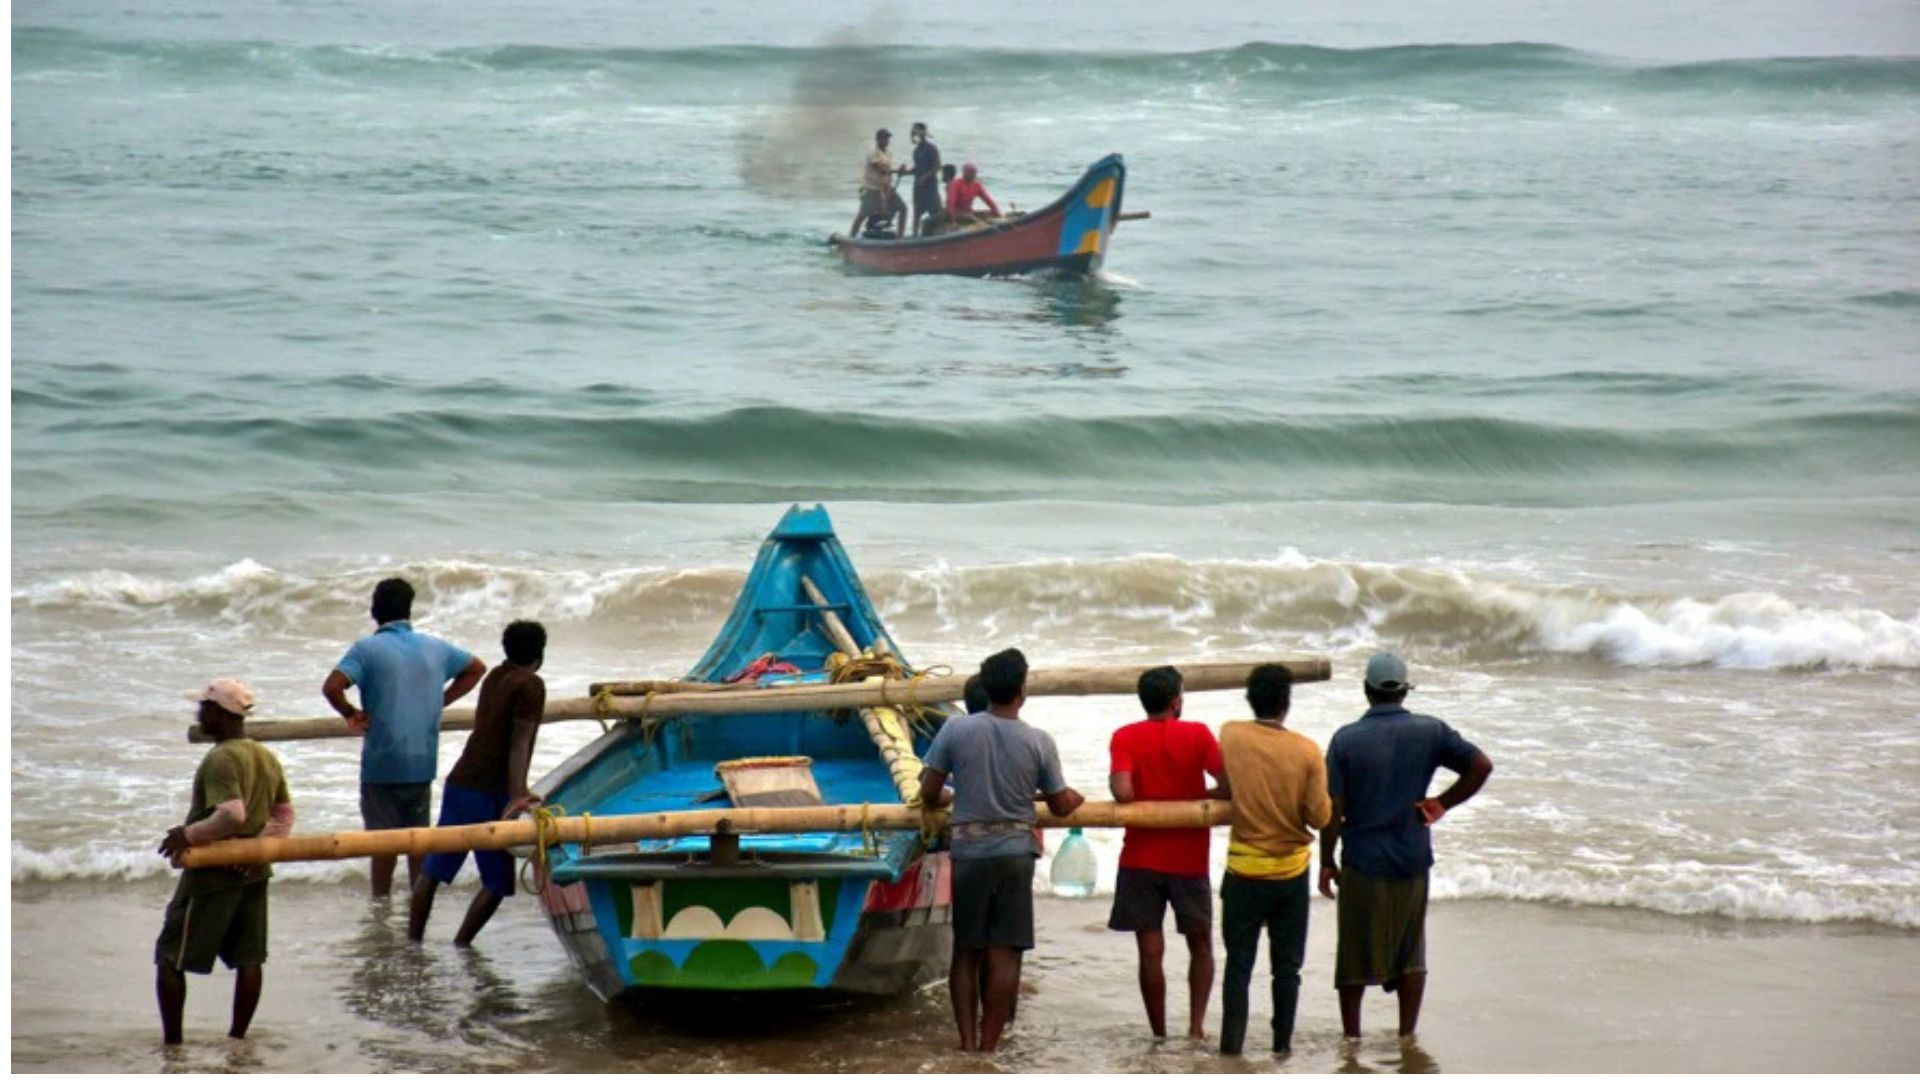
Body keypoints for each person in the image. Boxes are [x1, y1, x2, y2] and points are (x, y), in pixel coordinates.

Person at [1319, 653, 1494, 1039]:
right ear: (1403, 691)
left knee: (1354, 953)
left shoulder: (1346, 740)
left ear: (1366, 691)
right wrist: (1442, 803)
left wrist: (1326, 860)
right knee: (1411, 951)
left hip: (1362, 860)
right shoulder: (1430, 731)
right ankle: (1406, 1035)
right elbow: (1481, 765)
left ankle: (1352, 1037)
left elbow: (1334, 808)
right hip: (1412, 857)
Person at [919, 649, 1084, 1053]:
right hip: (1014, 854)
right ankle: (989, 1048)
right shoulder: (1038, 741)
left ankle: (967, 1042)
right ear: (1022, 691)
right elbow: (1061, 804)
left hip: (969, 853)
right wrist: (1074, 797)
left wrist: (951, 797)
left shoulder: (956, 730)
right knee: (1005, 953)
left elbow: (929, 791)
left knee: (966, 951)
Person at [322, 578, 486, 899]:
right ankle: (417, 907)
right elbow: (476, 668)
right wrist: (440, 700)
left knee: (382, 846)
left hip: (383, 763)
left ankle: (380, 908)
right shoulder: (436, 647)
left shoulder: (366, 649)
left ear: (374, 611)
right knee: (417, 844)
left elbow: (332, 687)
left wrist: (350, 713)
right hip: (422, 762)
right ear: (409, 611)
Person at [155, 679, 294, 1045]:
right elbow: (284, 816)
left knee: (171, 956)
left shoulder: (220, 758)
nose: (198, 713)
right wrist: (255, 852)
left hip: (212, 873)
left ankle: (173, 1045)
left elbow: (231, 814)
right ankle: (237, 1041)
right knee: (249, 957)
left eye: (203, 707)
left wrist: (188, 835)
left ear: (219, 713)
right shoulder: (265, 756)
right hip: (254, 871)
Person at [408, 620, 548, 945]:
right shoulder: (531, 684)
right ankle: (461, 944)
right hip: (490, 792)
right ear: (540, 653)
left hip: (461, 783)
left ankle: (413, 943)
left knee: (434, 870)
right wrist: (517, 795)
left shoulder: (495, 677)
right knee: (497, 882)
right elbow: (520, 741)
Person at [1216, 664, 1331, 1057]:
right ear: (1287, 704)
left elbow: (1228, 783)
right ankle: (1282, 1047)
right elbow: (1320, 817)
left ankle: (1231, 1048)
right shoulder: (1307, 750)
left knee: (1238, 965)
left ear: (1251, 700)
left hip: (1244, 870)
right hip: (1290, 873)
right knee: (1287, 968)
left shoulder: (1231, 734)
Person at [1106, 665, 1225, 1041]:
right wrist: (1199, 799)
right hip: (1189, 857)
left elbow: (1123, 793)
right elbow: (1230, 784)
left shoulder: (1125, 736)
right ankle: (1196, 1028)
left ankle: (1158, 1032)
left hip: (1140, 855)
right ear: (1177, 701)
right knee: (1201, 943)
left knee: (1150, 949)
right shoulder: (1198, 734)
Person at [850, 127, 907, 239]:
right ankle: (851, 238)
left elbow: (888, 173)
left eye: (887, 138)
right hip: (871, 189)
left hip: (885, 188)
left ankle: (900, 238)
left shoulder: (888, 154)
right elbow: (881, 170)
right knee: (863, 214)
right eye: (884, 138)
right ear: (878, 139)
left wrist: (901, 172)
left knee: (902, 208)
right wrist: (896, 170)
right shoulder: (872, 152)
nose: (887, 140)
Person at [906, 121, 944, 236]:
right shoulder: (916, 151)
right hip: (918, 187)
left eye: (916, 132)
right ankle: (914, 236)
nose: (914, 135)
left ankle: (939, 235)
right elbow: (916, 169)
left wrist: (925, 177)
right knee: (917, 213)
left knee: (935, 213)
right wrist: (904, 172)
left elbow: (937, 166)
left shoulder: (931, 148)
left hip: (930, 187)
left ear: (922, 133)